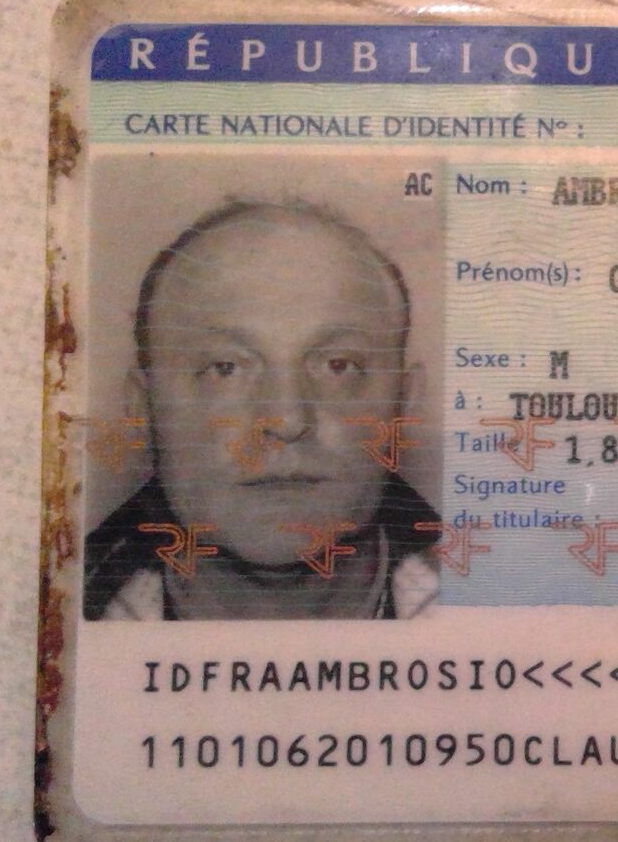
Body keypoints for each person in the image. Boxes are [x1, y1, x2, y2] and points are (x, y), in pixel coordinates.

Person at [83, 199, 439, 620]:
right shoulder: (64, 611)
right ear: (142, 410)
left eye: (338, 366)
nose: (286, 420)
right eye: (225, 368)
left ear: (404, 404)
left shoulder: (496, 607)